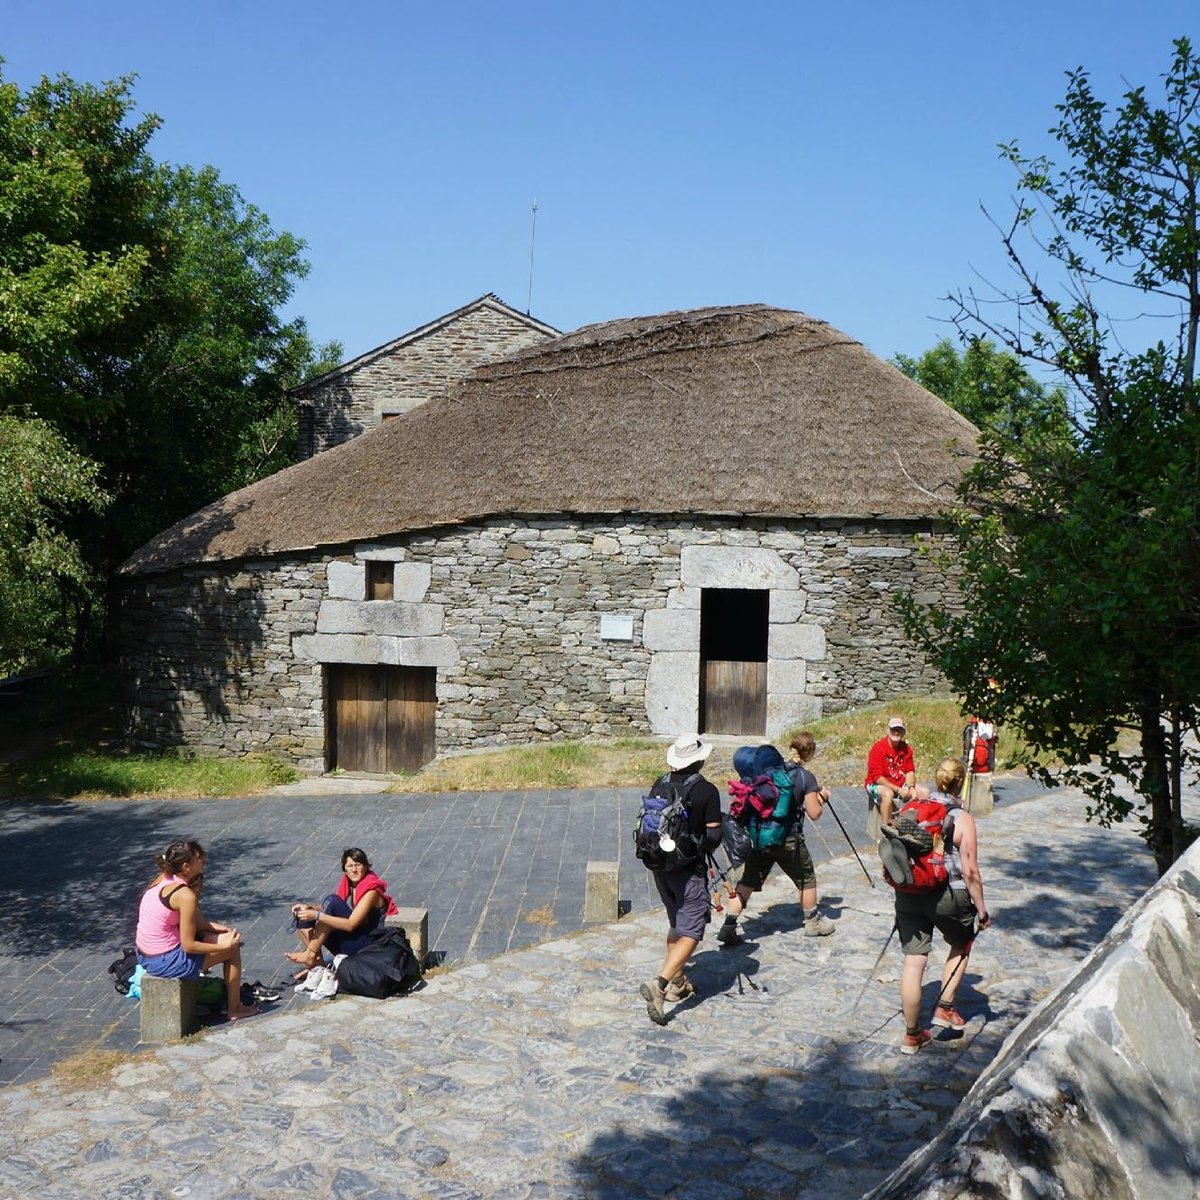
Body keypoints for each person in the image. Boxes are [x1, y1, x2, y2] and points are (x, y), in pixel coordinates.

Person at [894, 756, 990, 1055]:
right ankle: (945, 1007)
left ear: (937, 780)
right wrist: (982, 910)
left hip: (909, 891)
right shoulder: (962, 818)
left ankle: (912, 1036)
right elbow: (970, 870)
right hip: (948, 893)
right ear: (961, 784)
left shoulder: (912, 808)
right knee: (962, 943)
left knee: (914, 961)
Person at [716, 734, 835, 944]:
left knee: (747, 882)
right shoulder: (805, 777)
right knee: (806, 879)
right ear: (810, 753)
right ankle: (812, 922)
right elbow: (814, 813)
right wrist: (822, 797)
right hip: (789, 840)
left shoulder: (765, 774)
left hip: (760, 838)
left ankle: (729, 925)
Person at [639, 734, 723, 1026]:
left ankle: (678, 983)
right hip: (689, 869)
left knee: (677, 922)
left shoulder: (660, 783)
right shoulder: (707, 791)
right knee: (692, 930)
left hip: (660, 865)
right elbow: (713, 837)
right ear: (700, 760)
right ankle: (659, 984)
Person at [135, 839, 260, 1020]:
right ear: (187, 867)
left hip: (145, 955)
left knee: (220, 937)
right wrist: (224, 947)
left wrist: (220, 930)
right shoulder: (185, 895)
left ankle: (231, 999)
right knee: (232, 949)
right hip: (164, 961)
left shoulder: (163, 879)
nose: (203, 861)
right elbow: (188, 945)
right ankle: (235, 1008)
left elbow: (198, 923)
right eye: (199, 859)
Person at [287, 847, 399, 980]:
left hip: (367, 945)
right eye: (349, 866)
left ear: (365, 866)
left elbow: (351, 924)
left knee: (331, 902)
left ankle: (310, 955)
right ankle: (317, 967)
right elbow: (329, 909)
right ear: (344, 869)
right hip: (355, 937)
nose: (354, 870)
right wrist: (310, 908)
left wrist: (317, 915)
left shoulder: (372, 891)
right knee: (305, 916)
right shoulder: (351, 884)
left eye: (358, 865)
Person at [865, 714, 929, 824]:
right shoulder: (878, 748)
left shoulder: (906, 749)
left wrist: (911, 787)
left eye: (899, 730)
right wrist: (898, 790)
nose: (896, 733)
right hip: (875, 784)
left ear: (903, 733)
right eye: (893, 729)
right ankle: (886, 827)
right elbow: (878, 778)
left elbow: (909, 770)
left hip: (898, 782)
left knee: (924, 792)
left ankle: (920, 825)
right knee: (888, 794)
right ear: (888, 730)